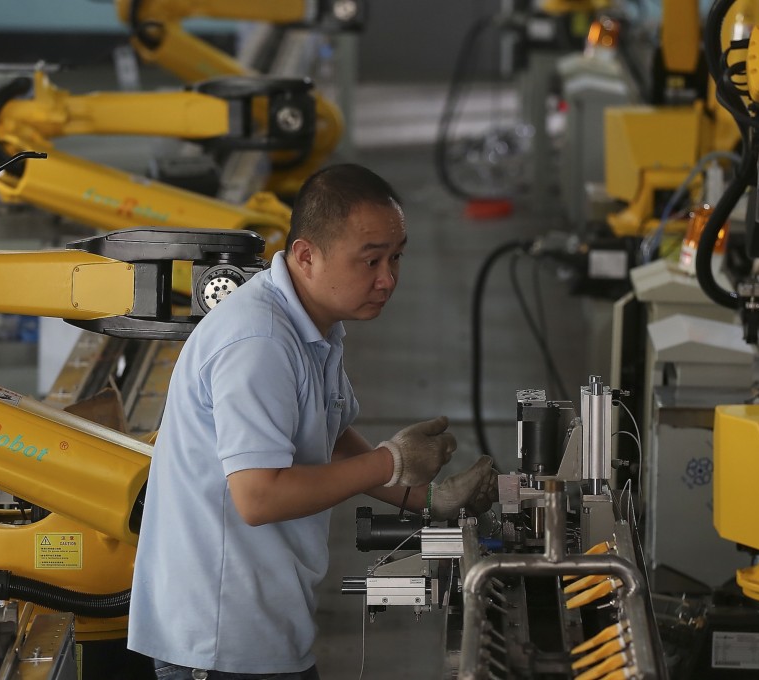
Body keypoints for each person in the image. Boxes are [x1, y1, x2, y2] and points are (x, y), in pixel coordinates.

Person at [129, 163, 498, 680]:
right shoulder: (258, 342)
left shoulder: (310, 324)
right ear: (305, 255)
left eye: (395, 258)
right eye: (370, 260)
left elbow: (331, 436)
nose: (388, 278)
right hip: (220, 640)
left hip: (262, 623)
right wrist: (391, 460)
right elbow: (259, 497)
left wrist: (429, 498)